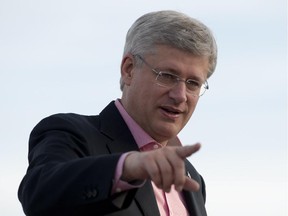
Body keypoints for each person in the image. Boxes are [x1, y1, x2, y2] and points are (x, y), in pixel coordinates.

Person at [18, 10, 217, 216]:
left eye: (193, 83)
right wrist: (128, 167)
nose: (180, 95)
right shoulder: (70, 133)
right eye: (167, 76)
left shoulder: (191, 177)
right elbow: (39, 194)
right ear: (129, 69)